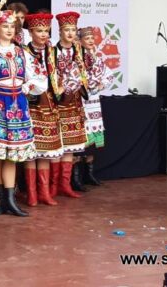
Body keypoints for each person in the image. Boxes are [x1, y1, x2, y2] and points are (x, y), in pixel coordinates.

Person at [0, 11, 46, 217]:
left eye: (12, 27)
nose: (9, 30)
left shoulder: (21, 52)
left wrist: (28, 86)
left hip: (17, 105)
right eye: (4, 26)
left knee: (11, 155)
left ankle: (8, 200)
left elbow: (39, 77)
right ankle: (3, 200)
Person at [23, 12, 64, 207]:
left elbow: (63, 73)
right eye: (39, 31)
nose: (44, 34)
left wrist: (62, 86)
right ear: (31, 32)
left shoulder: (54, 51)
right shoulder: (23, 52)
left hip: (50, 103)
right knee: (32, 150)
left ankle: (44, 193)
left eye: (46, 31)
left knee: (46, 149)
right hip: (30, 103)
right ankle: (31, 194)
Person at [53, 11, 88, 198]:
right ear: (60, 31)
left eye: (73, 30)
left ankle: (65, 185)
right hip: (58, 102)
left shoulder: (80, 51)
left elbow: (87, 73)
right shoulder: (52, 51)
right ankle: (53, 186)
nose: (70, 33)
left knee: (71, 144)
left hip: (74, 101)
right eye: (67, 29)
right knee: (56, 144)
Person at [79, 26, 113, 187]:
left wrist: (100, 86)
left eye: (92, 38)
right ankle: (75, 177)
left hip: (94, 102)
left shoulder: (98, 59)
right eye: (87, 38)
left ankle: (89, 174)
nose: (91, 41)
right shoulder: (77, 58)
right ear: (80, 41)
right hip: (80, 101)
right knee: (81, 140)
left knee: (93, 143)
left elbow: (109, 76)